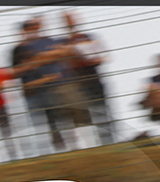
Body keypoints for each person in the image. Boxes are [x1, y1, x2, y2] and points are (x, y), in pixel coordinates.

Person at [11, 17, 89, 153]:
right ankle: (59, 151)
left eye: (36, 25)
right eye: (31, 26)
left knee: (72, 117)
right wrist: (46, 58)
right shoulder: (19, 48)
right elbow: (15, 71)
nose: (35, 28)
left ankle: (78, 147)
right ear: (24, 30)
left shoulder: (50, 40)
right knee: (50, 124)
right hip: (38, 91)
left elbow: (66, 52)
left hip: (58, 85)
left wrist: (40, 58)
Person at [61, 10, 115, 145]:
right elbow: (66, 62)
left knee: (102, 112)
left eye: (72, 18)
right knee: (82, 117)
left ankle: (108, 142)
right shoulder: (64, 42)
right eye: (67, 19)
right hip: (77, 84)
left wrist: (85, 58)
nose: (70, 22)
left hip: (94, 80)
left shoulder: (89, 37)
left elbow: (104, 56)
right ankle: (90, 146)